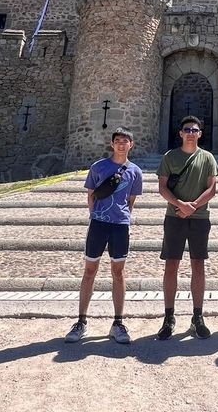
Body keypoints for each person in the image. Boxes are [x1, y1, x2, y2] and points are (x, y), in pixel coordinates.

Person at [65, 127, 143, 344]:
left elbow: (131, 201)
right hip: (98, 224)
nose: (121, 144)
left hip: (120, 226)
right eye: (117, 140)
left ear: (131, 145)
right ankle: (81, 321)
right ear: (112, 144)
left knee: (118, 273)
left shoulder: (135, 172)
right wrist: (96, 215)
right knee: (89, 270)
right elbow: (91, 195)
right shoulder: (98, 167)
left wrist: (121, 217)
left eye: (125, 141)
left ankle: (118, 322)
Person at [155, 115, 218, 340]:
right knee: (171, 266)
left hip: (199, 218)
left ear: (200, 133)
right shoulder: (169, 157)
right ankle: (168, 316)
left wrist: (192, 207)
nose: (191, 132)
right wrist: (180, 205)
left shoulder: (208, 158)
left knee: (198, 266)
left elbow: (212, 189)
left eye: (194, 129)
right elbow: (162, 188)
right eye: (187, 129)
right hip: (174, 217)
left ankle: (197, 316)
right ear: (180, 133)